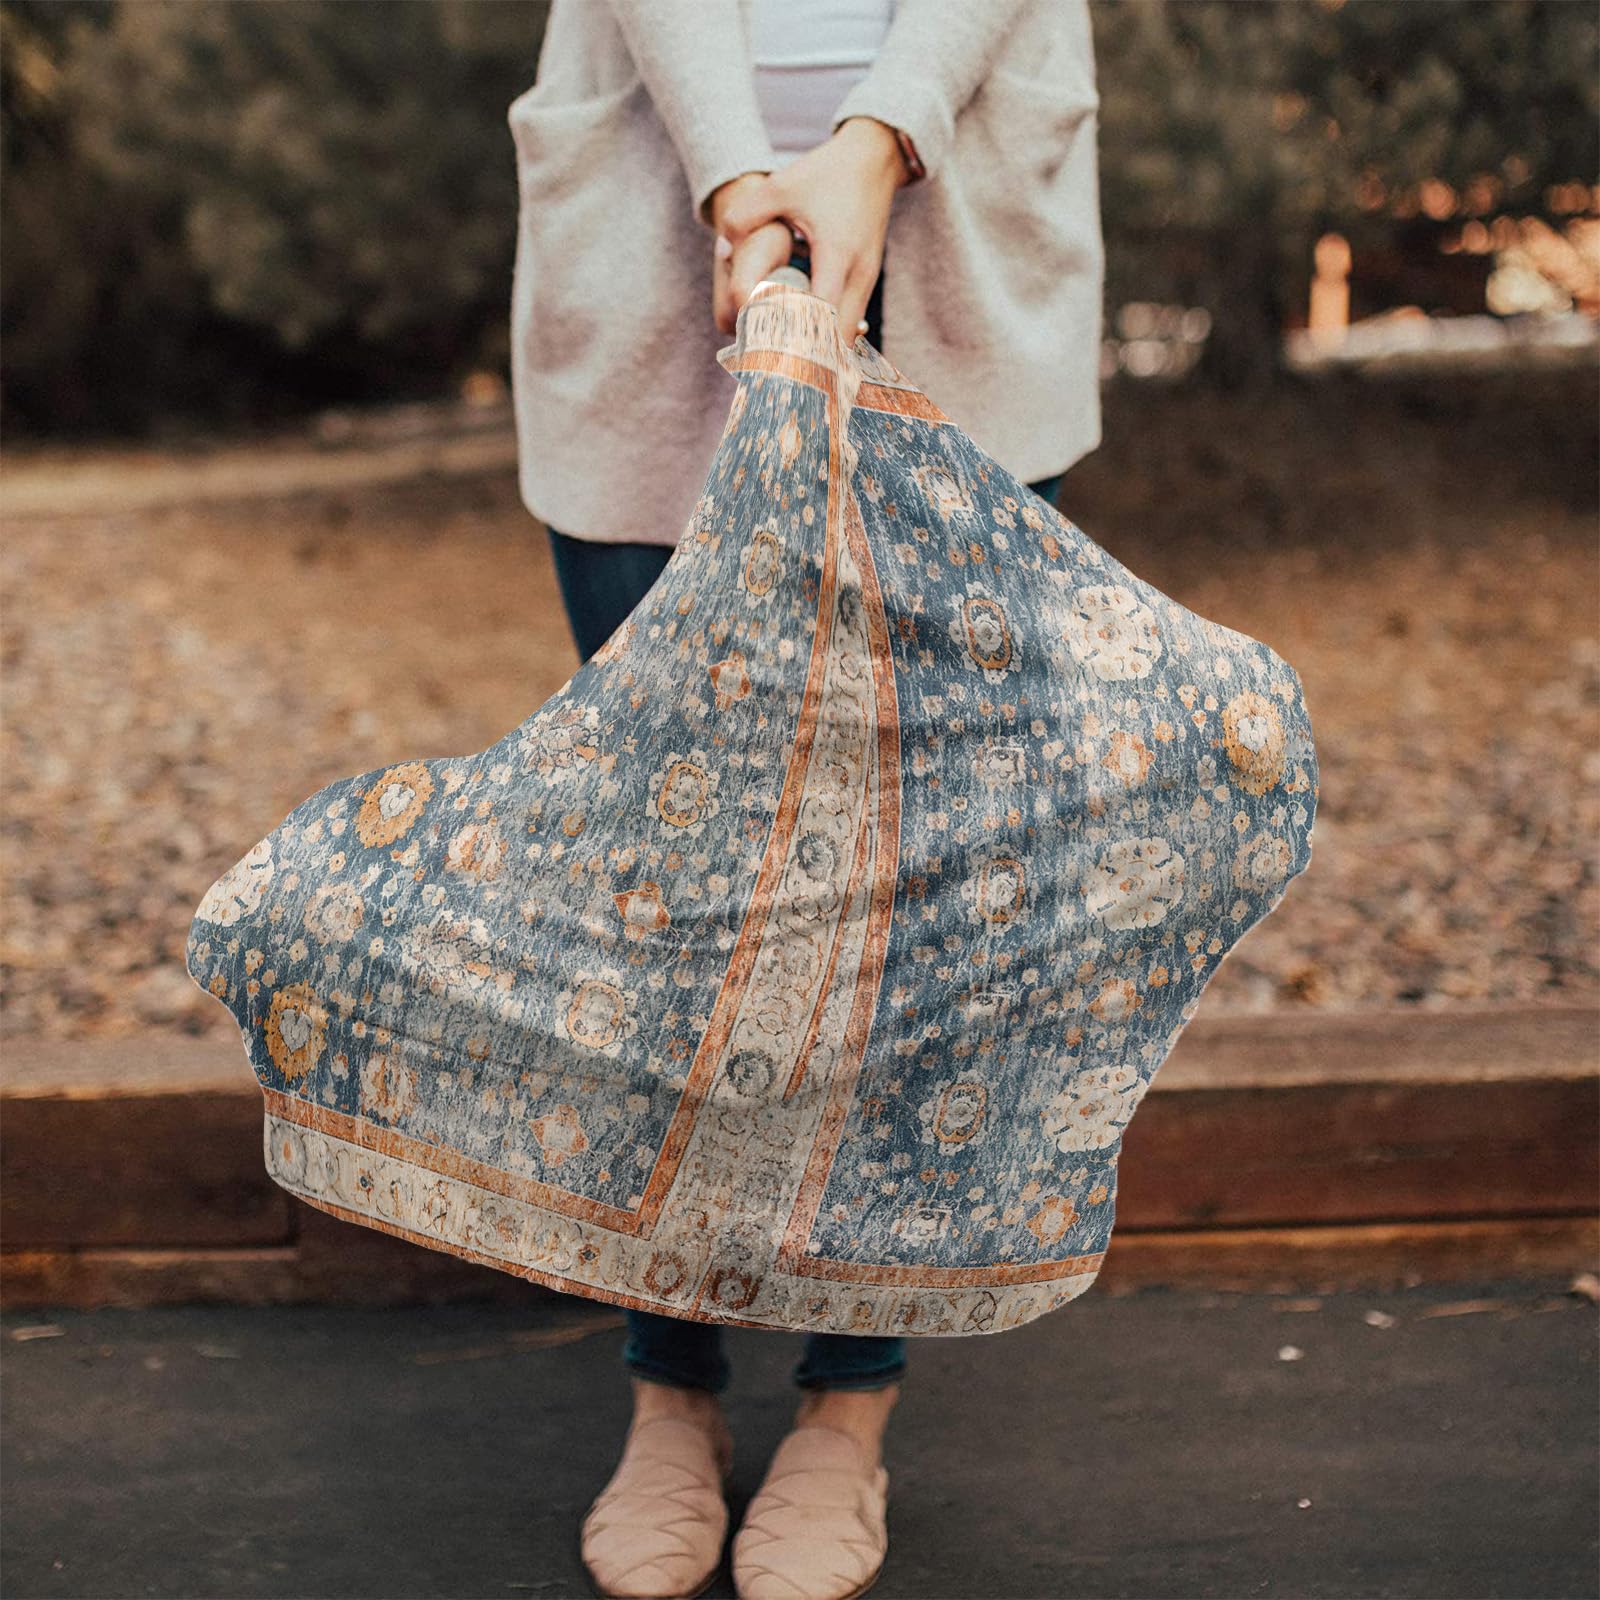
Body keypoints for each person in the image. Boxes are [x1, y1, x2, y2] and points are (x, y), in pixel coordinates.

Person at [506, 5, 1104, 1596]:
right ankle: (671, 1390)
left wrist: (877, 136)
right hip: (657, 221)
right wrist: (733, 178)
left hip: (958, 223)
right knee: (673, 890)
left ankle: (849, 1406)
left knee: (910, 898)